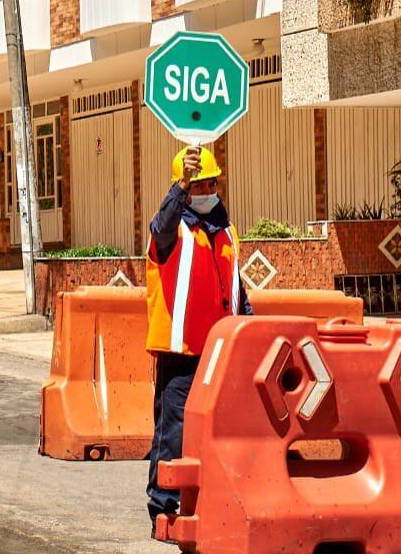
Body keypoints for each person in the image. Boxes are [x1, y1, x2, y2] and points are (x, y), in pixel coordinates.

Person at [145, 145, 251, 529]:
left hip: (221, 351)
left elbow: (238, 291)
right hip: (182, 350)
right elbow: (161, 226)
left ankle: (210, 497)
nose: (209, 189)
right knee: (173, 430)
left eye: (211, 182)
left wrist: (249, 330)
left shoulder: (226, 231)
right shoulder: (172, 231)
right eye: (200, 184)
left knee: (222, 429)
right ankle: (164, 503)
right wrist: (181, 184)